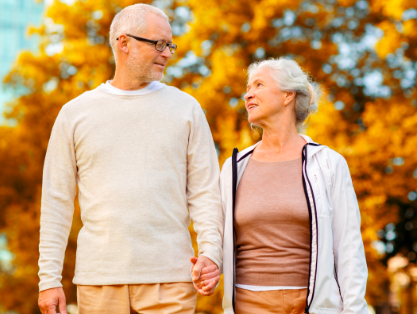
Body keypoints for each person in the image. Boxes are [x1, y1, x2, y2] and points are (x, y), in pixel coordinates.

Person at [37, 4, 223, 314]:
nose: (167, 53)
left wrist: (211, 253)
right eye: (159, 43)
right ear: (124, 43)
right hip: (99, 281)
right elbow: (56, 201)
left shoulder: (186, 109)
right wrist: (48, 279)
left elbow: (205, 191)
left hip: (171, 281)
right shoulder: (75, 114)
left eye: (170, 45)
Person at [217, 58, 368, 313]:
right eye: (248, 87)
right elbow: (217, 238)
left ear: (288, 94)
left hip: (313, 305)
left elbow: (348, 247)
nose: (248, 94)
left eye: (259, 84)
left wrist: (354, 309)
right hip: (248, 304)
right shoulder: (234, 167)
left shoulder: (329, 164)